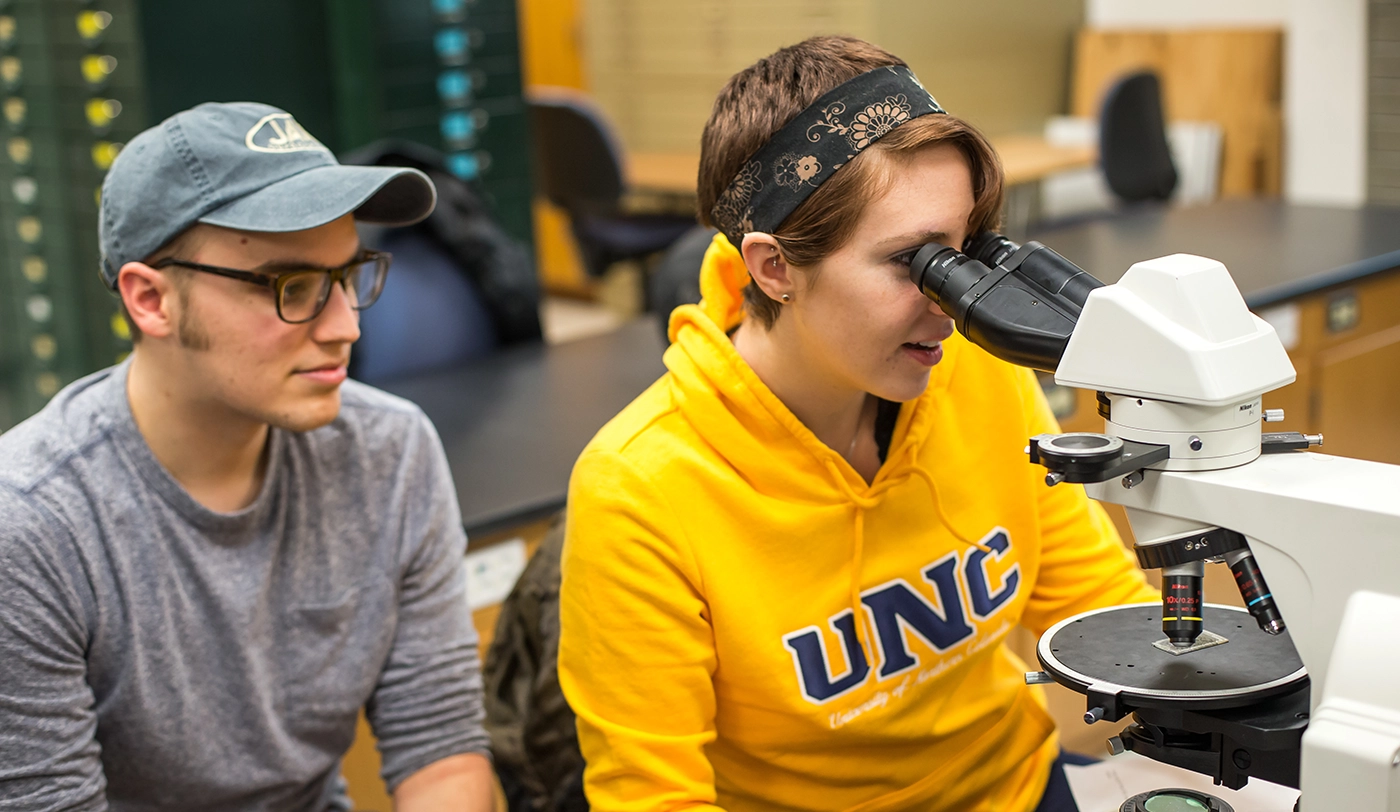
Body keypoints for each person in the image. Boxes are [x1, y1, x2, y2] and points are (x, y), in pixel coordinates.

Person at [557, 36, 1159, 812]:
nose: (953, 302)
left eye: (965, 251)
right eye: (915, 261)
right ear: (773, 267)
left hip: (1017, 789)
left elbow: (1093, 600)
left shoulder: (972, 366)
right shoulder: (640, 490)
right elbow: (653, 798)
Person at [0, 103, 495, 810]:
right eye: (293, 288)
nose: (346, 325)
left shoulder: (391, 449)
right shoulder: (31, 525)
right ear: (151, 300)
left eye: (349, 275)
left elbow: (441, 751)